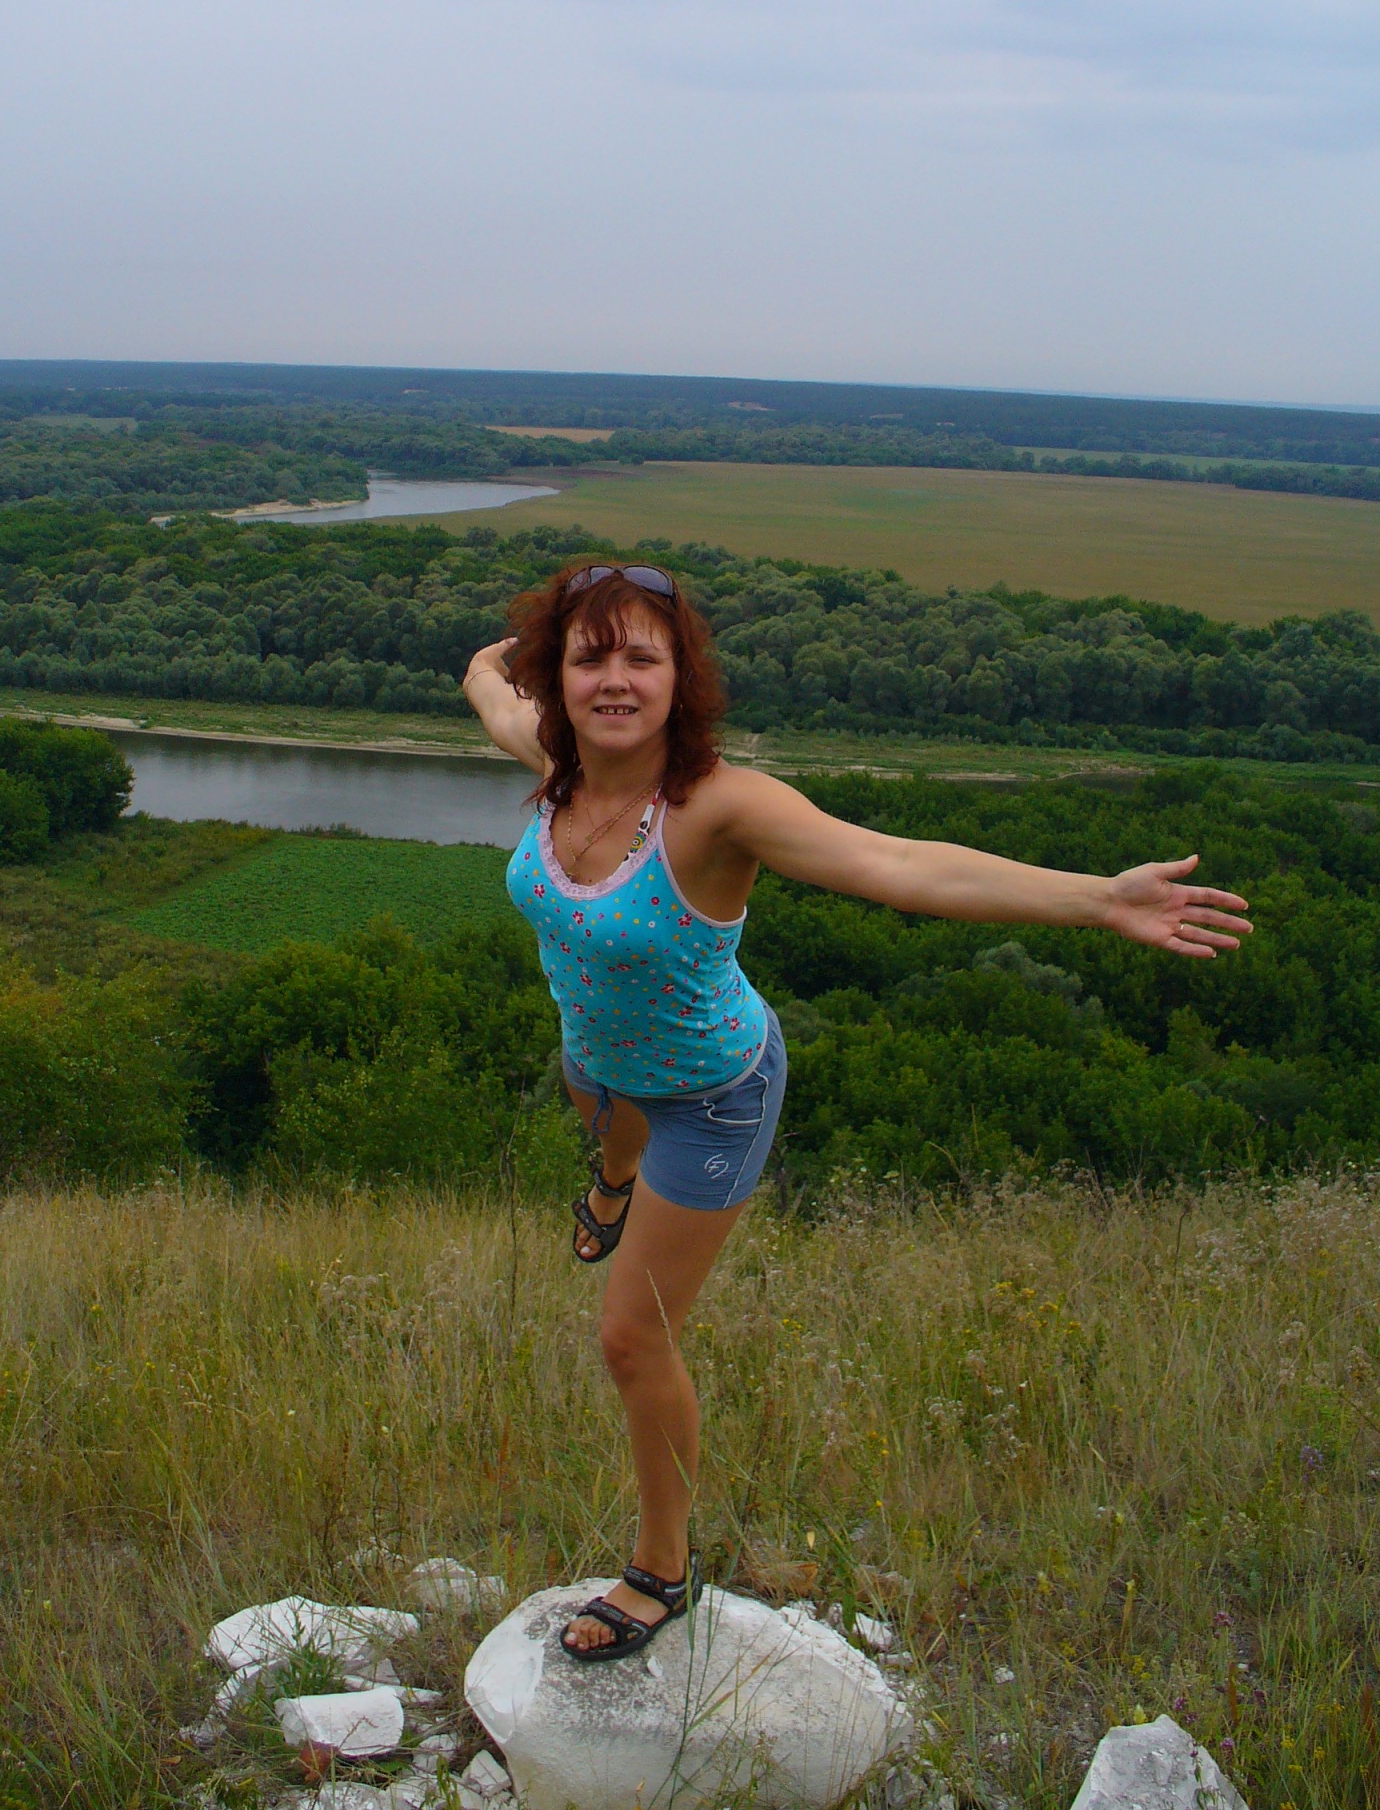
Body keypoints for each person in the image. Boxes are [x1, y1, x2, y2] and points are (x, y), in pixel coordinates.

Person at [462, 560, 1252, 1664]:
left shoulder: (720, 808)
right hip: (600, 1060)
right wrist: (492, 660)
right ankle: (611, 1178)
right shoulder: (556, 766)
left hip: (713, 1095)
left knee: (631, 1338)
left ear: (682, 679)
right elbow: (491, 693)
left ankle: (661, 1569)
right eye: (590, 657)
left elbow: (898, 864)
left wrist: (1097, 897)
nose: (616, 680)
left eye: (643, 656)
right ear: (559, 678)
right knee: (595, 1096)